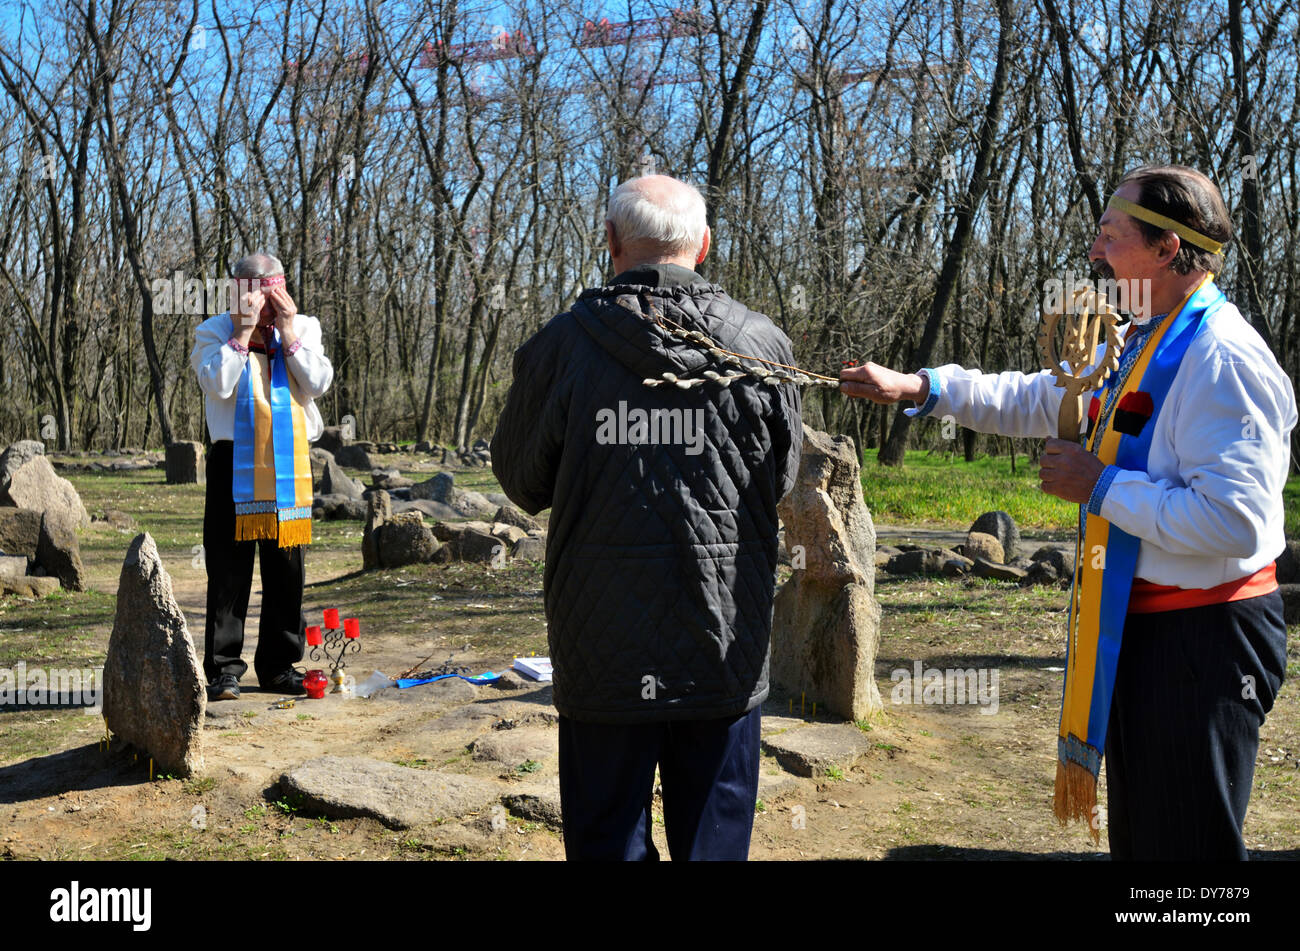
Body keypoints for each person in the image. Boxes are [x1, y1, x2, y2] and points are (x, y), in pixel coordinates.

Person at [840, 165, 1295, 860]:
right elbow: (1038, 397)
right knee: (1148, 844)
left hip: (1205, 643)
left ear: (1167, 249)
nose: (1093, 252)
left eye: (1110, 235)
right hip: (1149, 634)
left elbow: (1236, 522)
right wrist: (919, 387)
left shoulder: (1220, 357)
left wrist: (1101, 485)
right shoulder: (1149, 340)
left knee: (1188, 856)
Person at [491, 174, 803, 860]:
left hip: (602, 644)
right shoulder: (761, 347)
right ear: (704, 245)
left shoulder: (562, 346)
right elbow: (782, 479)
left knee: (607, 841)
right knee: (714, 843)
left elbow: (520, 479)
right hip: (722, 637)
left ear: (611, 242)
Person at [189, 254, 333, 701]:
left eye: (273, 296)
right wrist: (241, 333)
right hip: (234, 457)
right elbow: (218, 385)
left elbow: (317, 382)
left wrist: (287, 333)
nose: (266, 306)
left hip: (291, 458)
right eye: (256, 297)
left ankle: (278, 665)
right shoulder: (213, 330)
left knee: (287, 565)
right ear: (237, 293)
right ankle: (224, 670)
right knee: (229, 567)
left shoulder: (305, 326)